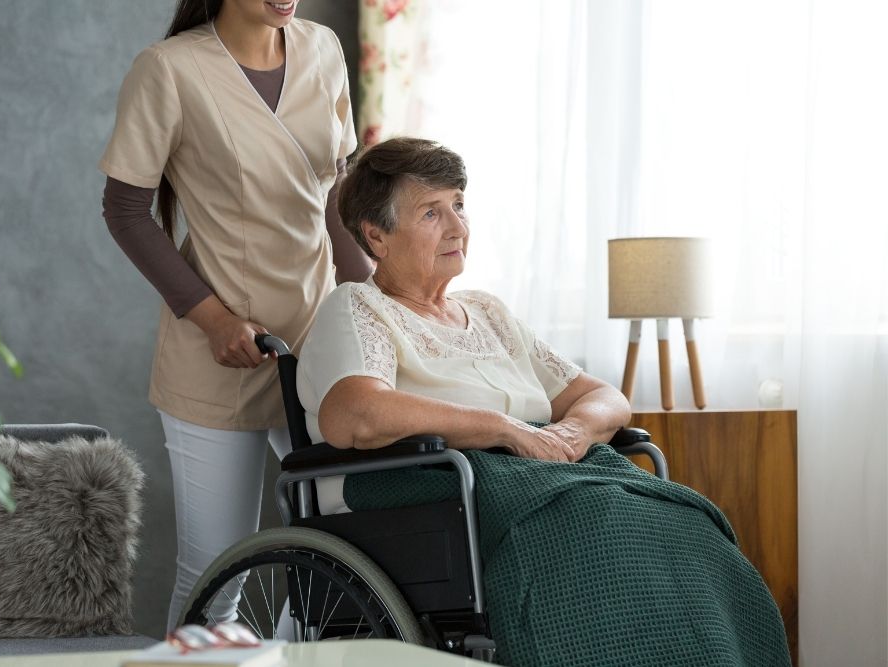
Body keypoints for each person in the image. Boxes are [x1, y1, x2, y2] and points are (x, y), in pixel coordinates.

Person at [296, 137, 792, 666]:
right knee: (595, 520)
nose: (458, 227)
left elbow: (604, 397)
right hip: (434, 487)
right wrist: (505, 428)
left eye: (459, 206)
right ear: (376, 235)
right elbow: (356, 415)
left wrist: (576, 431)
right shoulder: (360, 308)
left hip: (539, 476)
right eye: (431, 213)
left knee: (682, 522)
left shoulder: (487, 313)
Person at [98, 0, 372, 631]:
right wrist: (213, 319)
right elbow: (125, 212)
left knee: (345, 555)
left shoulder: (323, 49)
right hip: (219, 355)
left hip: (318, 347)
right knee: (217, 572)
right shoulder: (168, 69)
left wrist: (375, 302)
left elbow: (336, 195)